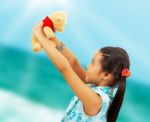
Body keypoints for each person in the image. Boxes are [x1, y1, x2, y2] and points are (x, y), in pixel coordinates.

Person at [32, 22, 131, 122]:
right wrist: (54, 40)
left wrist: (41, 37)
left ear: (106, 75)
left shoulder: (97, 101)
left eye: (92, 62)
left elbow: (65, 69)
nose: (88, 66)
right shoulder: (97, 90)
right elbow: (74, 63)